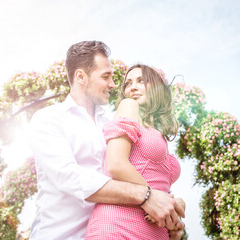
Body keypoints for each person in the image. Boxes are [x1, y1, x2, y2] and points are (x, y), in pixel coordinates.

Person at [29, 41, 185, 240]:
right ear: (80, 77)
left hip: (113, 227)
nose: (113, 85)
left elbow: (139, 169)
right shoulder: (49, 119)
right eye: (106, 77)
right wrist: (147, 196)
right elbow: (68, 177)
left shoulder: (111, 122)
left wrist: (169, 209)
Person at [85, 64, 185, 240]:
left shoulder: (157, 132)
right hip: (118, 226)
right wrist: (156, 198)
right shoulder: (129, 106)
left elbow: (157, 186)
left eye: (141, 81)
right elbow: (116, 164)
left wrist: (174, 216)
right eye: (128, 83)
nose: (132, 87)